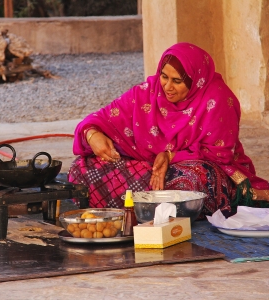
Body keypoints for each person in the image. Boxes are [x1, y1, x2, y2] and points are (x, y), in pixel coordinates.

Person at [68, 42, 269, 218]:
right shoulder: (148, 92)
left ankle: (141, 205)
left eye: (177, 81)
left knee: (191, 182)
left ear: (195, 80)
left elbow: (218, 155)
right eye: (164, 76)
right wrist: (92, 134)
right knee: (81, 168)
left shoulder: (217, 100)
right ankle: (153, 207)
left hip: (194, 170)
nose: (167, 87)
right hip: (146, 167)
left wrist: (171, 156)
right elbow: (99, 118)